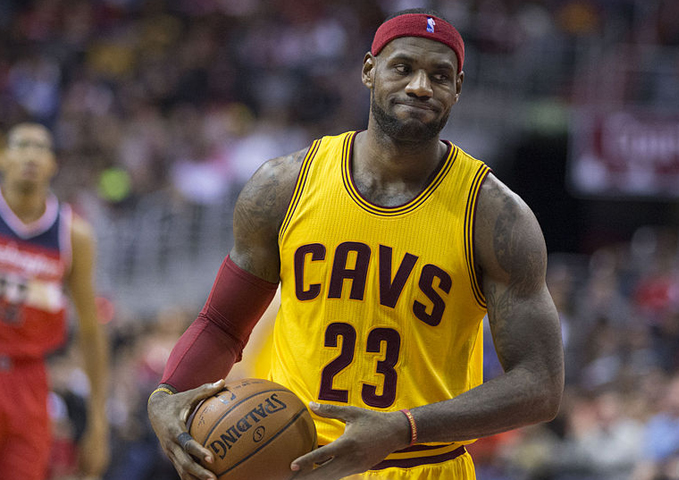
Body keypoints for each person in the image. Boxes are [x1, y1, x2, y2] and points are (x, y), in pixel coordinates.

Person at [148, 8, 564, 480]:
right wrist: (167, 396)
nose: (420, 86)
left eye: (439, 75)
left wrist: (403, 428)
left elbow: (541, 384)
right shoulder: (284, 185)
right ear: (369, 71)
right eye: (403, 67)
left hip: (422, 463)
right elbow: (222, 324)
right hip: (297, 460)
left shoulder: (494, 216)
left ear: (458, 89)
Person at [0, 123, 110, 479]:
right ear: (4, 156)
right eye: (21, 145)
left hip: (27, 380)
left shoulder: (73, 234)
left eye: (40, 147)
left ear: (53, 164)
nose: (31, 154)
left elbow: (91, 331)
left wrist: (98, 419)